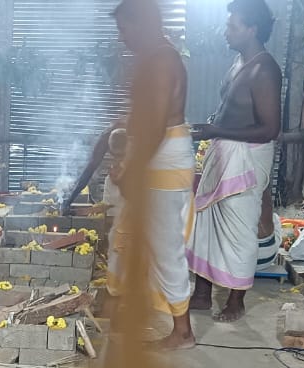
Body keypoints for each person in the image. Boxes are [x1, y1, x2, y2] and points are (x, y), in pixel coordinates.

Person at [185, 0, 281, 323]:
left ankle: (236, 300)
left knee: (239, 230)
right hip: (223, 151)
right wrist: (212, 127)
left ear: (252, 29)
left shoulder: (265, 69)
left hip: (246, 158)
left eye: (232, 26)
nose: (225, 31)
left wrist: (217, 130)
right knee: (206, 223)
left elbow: (270, 129)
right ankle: (202, 293)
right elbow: (230, 108)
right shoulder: (238, 62)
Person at [112, 0, 196, 349]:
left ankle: (183, 331)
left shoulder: (162, 60)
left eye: (124, 29)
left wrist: (132, 171)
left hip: (164, 162)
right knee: (133, 237)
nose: (122, 37)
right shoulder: (154, 59)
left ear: (143, 23)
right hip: (156, 158)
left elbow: (157, 125)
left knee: (165, 247)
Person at [62, 120, 124, 216]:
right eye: (114, 154)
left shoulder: (138, 139)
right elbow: (88, 171)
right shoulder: (103, 141)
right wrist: (70, 199)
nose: (116, 158)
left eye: (120, 155)